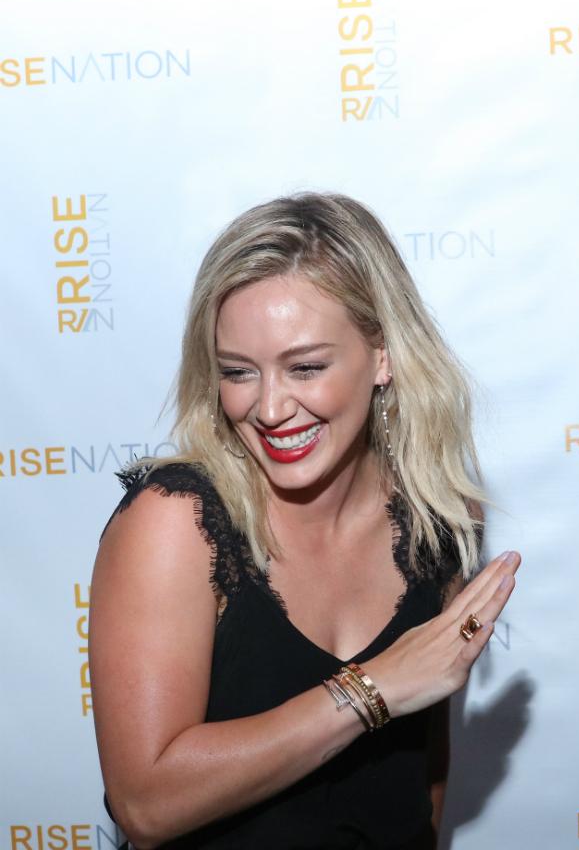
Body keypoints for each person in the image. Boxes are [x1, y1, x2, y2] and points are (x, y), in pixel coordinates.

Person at [89, 192, 520, 848]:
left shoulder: (441, 514)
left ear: (384, 356)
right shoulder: (177, 523)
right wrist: (371, 690)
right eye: (238, 372)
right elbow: (146, 807)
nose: (268, 408)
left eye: (305, 368)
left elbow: (424, 766)